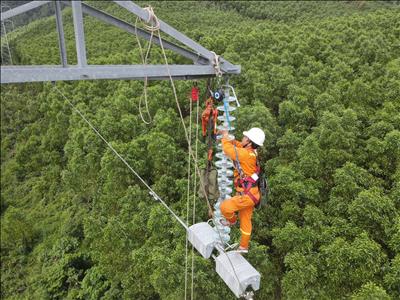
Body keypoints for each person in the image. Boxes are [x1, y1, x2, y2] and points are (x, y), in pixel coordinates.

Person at [219, 127, 265, 253]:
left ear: (250, 142)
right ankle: (244, 246)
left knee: (225, 207)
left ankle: (231, 221)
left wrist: (224, 136)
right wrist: (231, 139)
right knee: (245, 221)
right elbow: (238, 145)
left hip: (246, 196)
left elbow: (228, 150)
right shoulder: (251, 152)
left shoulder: (245, 154)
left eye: (245, 138)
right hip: (252, 195)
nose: (243, 138)